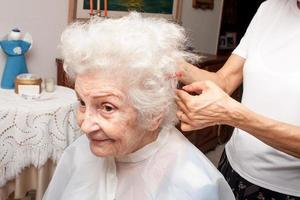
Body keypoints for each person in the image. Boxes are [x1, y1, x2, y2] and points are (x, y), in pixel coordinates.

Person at [43, 13, 234, 200]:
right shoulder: (79, 152)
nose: (85, 126)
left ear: (153, 114)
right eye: (83, 103)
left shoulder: (195, 184)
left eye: (107, 108)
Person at [175, 0, 300, 199]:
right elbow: (224, 80)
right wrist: (170, 63)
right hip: (233, 165)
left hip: (285, 191)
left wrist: (234, 116)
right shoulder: (269, 9)